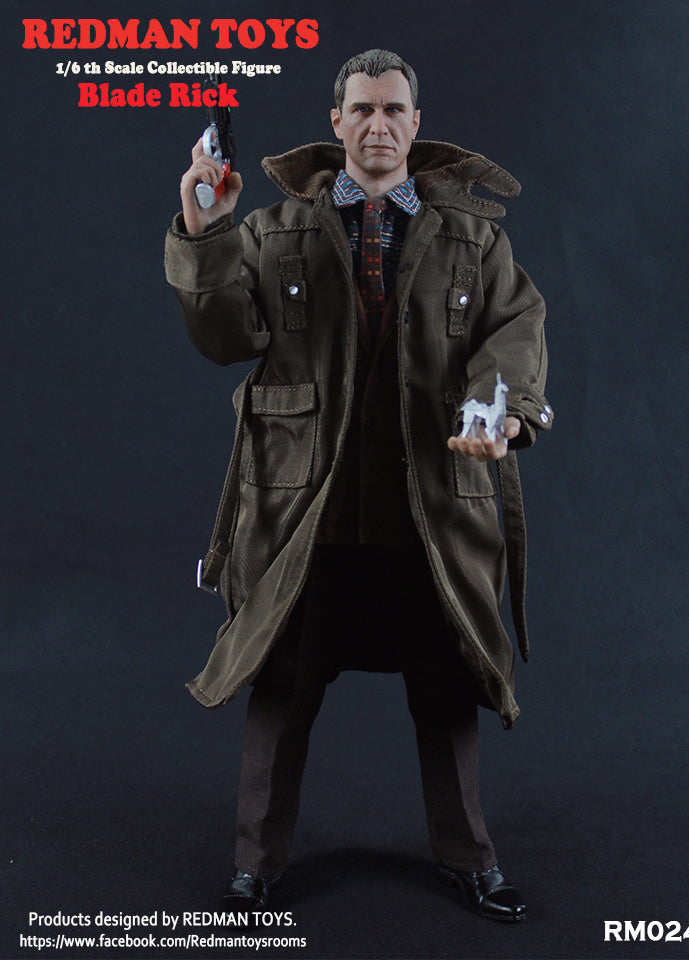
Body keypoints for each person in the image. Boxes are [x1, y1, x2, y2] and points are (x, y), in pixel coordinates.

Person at [165, 48, 552, 923]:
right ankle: (253, 867)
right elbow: (224, 337)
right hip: (310, 507)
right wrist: (206, 231)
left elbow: (515, 328)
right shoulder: (275, 230)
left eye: (394, 109)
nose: (379, 124)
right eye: (363, 109)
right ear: (336, 121)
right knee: (281, 692)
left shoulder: (472, 239)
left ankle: (470, 858)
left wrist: (500, 409)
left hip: (428, 506)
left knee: (447, 689)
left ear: (417, 122)